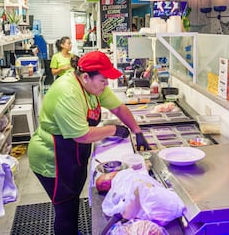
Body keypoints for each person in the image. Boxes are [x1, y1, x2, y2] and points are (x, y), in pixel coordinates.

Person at [28, 51, 150, 235]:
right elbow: (82, 135)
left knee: (72, 202)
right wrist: (114, 130)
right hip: (52, 158)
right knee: (65, 210)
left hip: (71, 155)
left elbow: (118, 107)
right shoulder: (67, 92)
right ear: (85, 77)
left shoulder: (93, 86)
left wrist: (137, 130)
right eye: (103, 80)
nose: (106, 84)